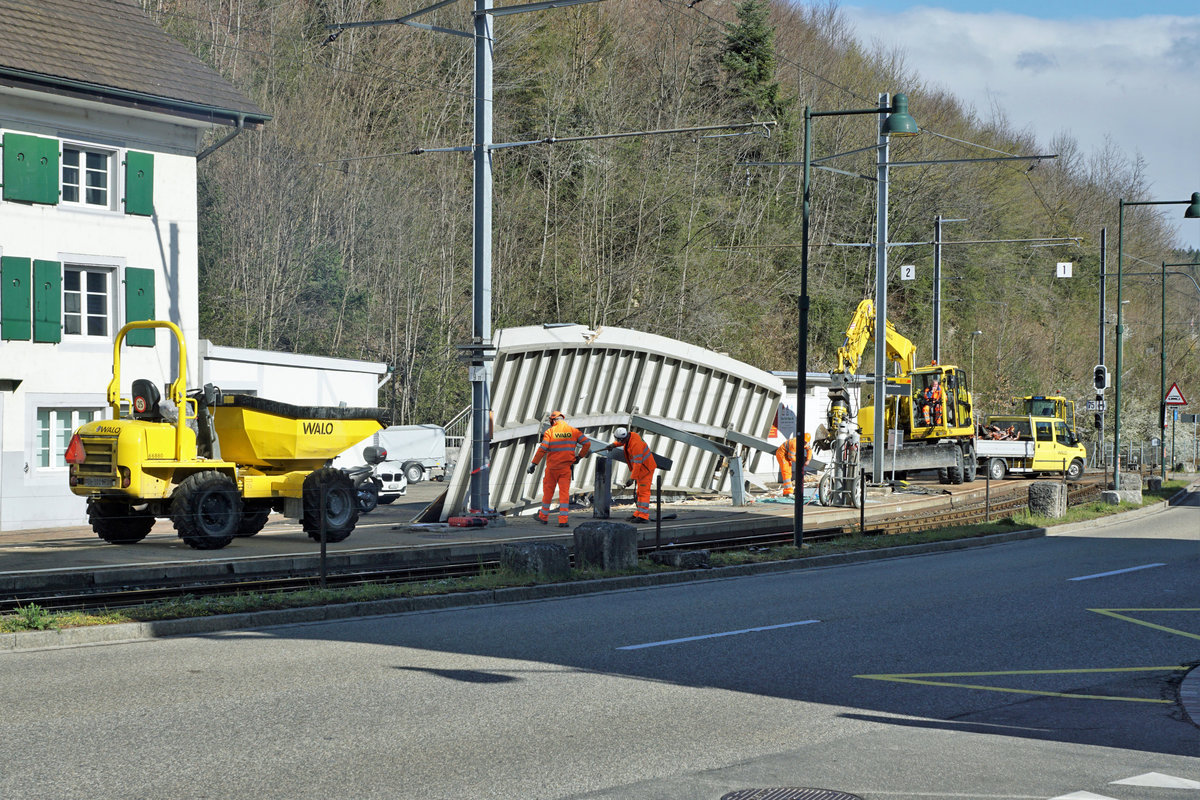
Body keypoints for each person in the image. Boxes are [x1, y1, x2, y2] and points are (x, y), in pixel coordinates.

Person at [527, 410, 590, 527]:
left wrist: (534, 464)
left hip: (552, 468)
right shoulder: (573, 431)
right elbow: (587, 443)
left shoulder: (550, 432)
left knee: (548, 493)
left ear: (553, 420)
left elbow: (543, 449)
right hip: (566, 468)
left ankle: (543, 517)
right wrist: (580, 457)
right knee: (564, 494)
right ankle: (563, 521)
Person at [605, 426, 657, 523]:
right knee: (639, 492)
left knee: (644, 492)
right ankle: (639, 513)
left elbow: (638, 463)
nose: (619, 442)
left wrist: (632, 478)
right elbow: (621, 442)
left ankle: (643, 516)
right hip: (642, 469)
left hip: (645, 470)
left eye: (619, 440)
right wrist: (613, 445)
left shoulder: (635, 444)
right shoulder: (631, 436)